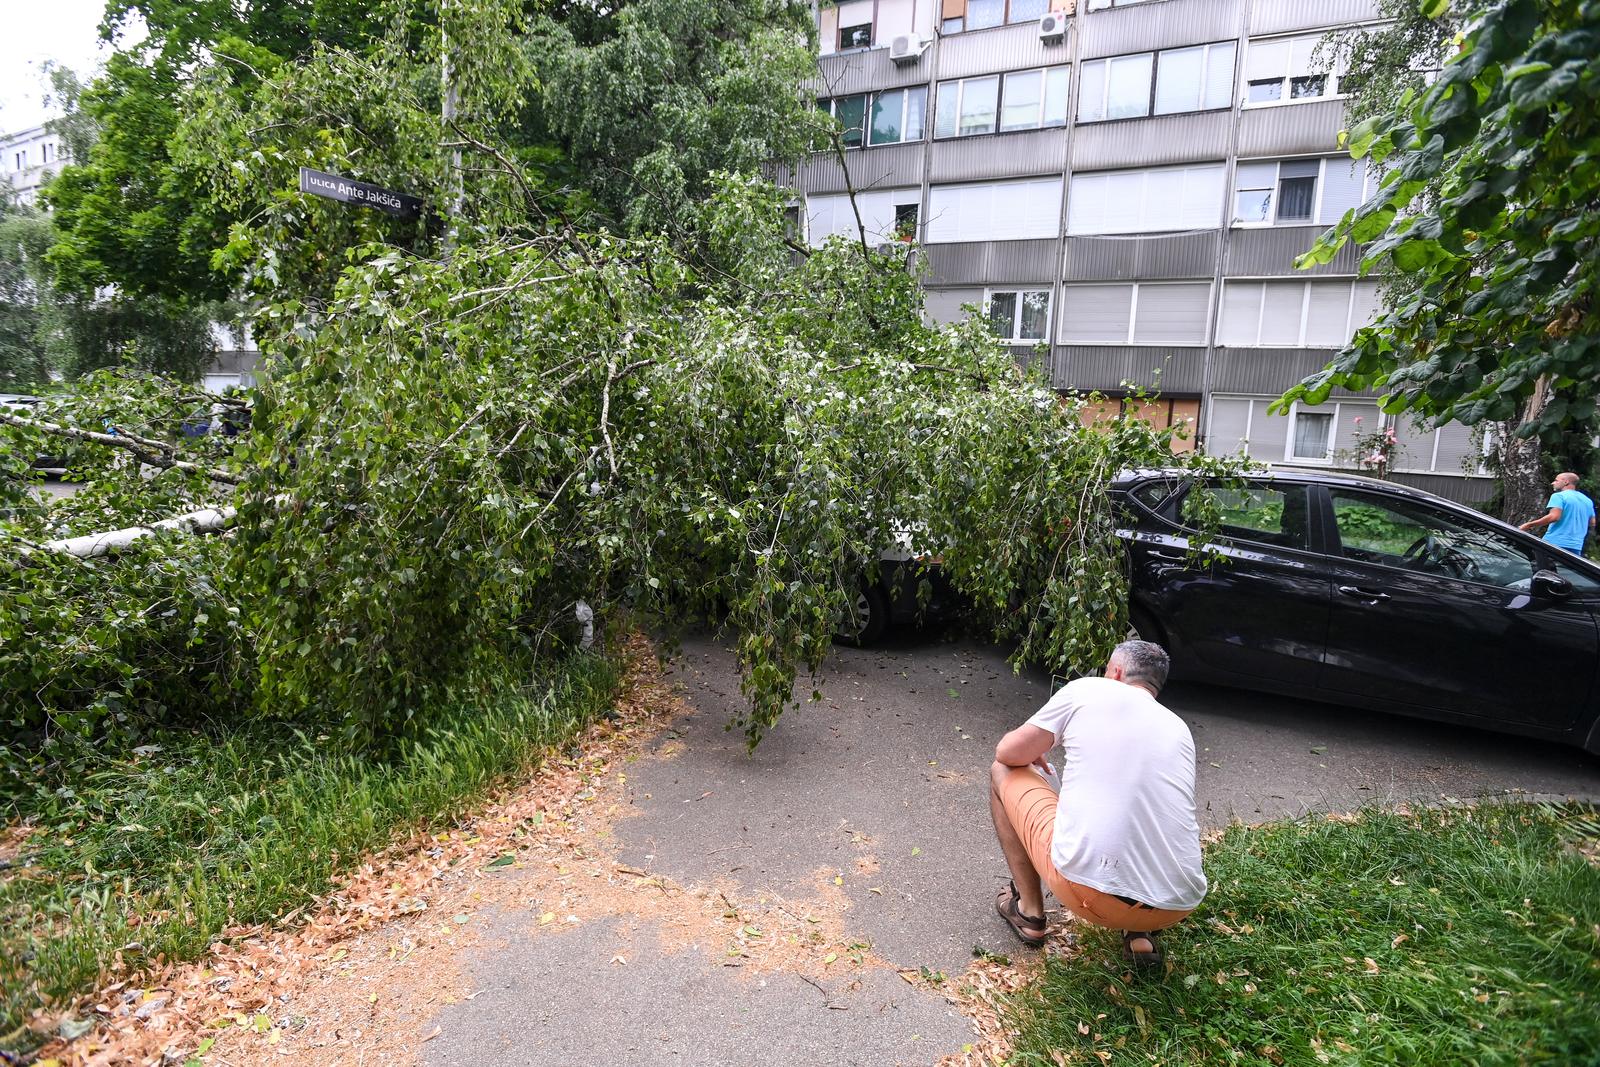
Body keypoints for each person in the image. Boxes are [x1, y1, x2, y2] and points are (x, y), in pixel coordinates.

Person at [988, 640, 1206, 968]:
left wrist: (1032, 751)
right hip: (1176, 903)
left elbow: (1007, 752)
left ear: (1115, 672)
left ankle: (1029, 912)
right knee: (1141, 810)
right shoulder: (1178, 728)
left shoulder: (1087, 690)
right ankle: (1139, 936)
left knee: (1002, 771)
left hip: (1088, 891)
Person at [1519, 472, 1596, 556]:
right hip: (1576, 546)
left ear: (1566, 482)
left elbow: (1554, 517)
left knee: (1542, 568)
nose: (1553, 483)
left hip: (1554, 543)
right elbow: (1592, 523)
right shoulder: (1587, 501)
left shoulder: (1559, 496)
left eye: (1556, 480)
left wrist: (1529, 525)